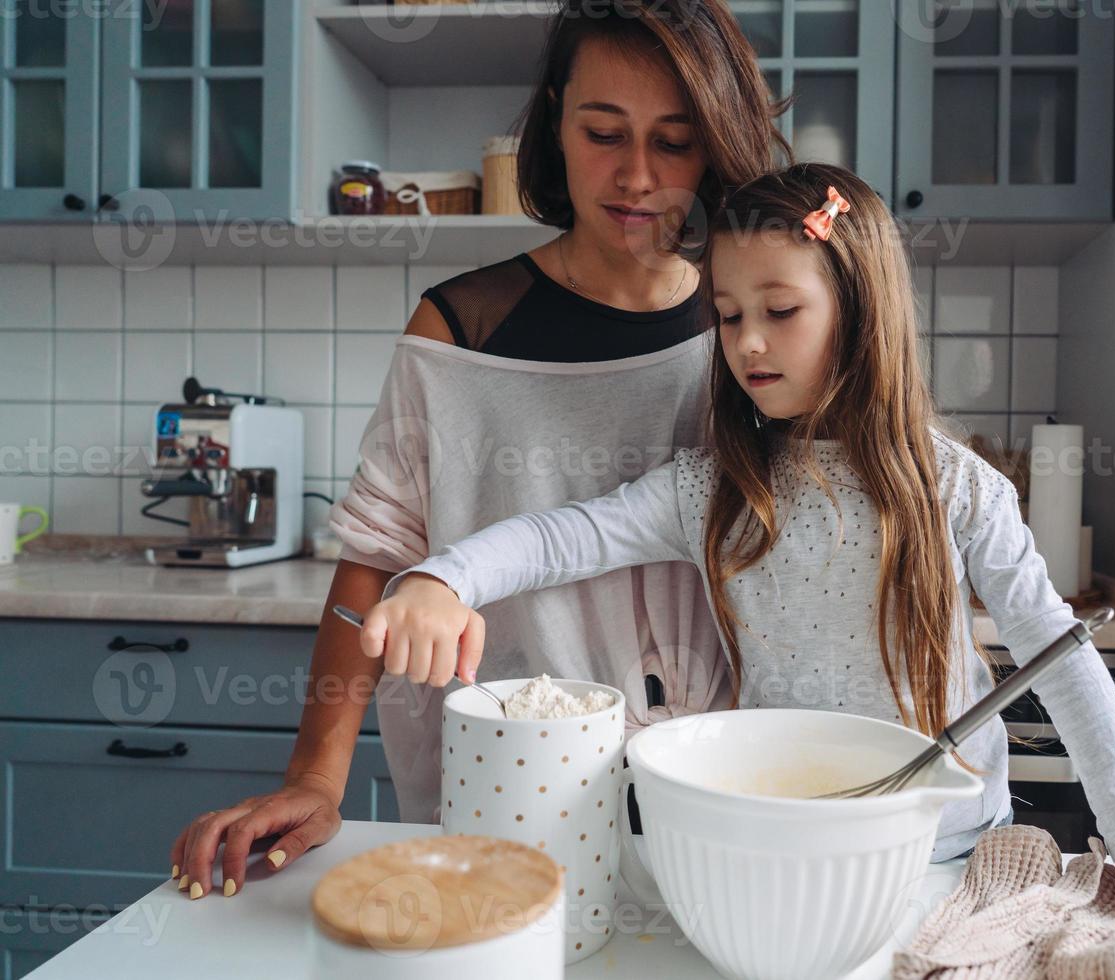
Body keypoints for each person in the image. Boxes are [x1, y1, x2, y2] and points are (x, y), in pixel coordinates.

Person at [365, 163, 1115, 971]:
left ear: (860, 308)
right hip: (780, 846)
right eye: (728, 316)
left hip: (946, 853)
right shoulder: (715, 490)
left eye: (781, 311)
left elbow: (1064, 655)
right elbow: (560, 536)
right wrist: (444, 578)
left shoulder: (958, 489)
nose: (748, 343)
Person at [168, 0, 790, 902]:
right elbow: (373, 565)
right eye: (603, 132)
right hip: (504, 788)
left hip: (703, 797)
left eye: (676, 141)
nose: (637, 176)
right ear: (554, 122)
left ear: (717, 145)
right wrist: (317, 777)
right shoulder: (461, 331)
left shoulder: (744, 335)